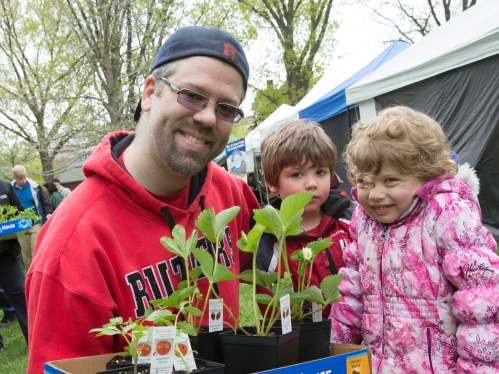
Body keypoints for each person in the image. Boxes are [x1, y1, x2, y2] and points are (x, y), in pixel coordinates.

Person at [25, 26, 259, 372]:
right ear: (150, 92)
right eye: (192, 95)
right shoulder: (72, 245)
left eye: (226, 109)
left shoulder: (231, 194)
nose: (208, 117)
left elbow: (277, 269)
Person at [329, 106, 499, 372]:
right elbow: (350, 293)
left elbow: (482, 305)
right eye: (364, 181)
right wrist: (338, 352)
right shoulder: (363, 222)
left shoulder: (448, 216)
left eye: (390, 180)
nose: (374, 194)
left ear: (426, 174)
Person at [256, 119, 353, 317]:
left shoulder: (352, 221)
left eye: (320, 172)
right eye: (297, 174)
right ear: (272, 183)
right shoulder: (270, 243)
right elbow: (270, 307)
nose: (311, 184)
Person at [0, 179, 30, 353]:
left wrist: (22, 224)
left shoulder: (4, 187)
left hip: (7, 255)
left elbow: (20, 214)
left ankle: (34, 340)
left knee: (21, 295)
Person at [11, 165, 53, 269]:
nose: (23, 179)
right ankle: (31, 278)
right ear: (15, 178)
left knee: (36, 250)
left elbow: (45, 201)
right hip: (21, 224)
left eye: (24, 176)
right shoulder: (10, 188)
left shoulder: (34, 186)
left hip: (36, 222)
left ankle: (38, 273)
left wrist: (48, 212)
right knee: (26, 255)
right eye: (21, 178)